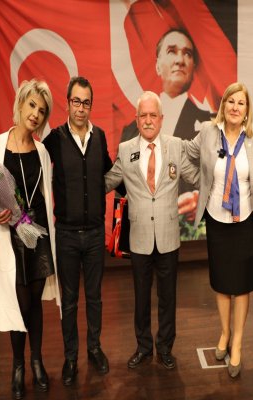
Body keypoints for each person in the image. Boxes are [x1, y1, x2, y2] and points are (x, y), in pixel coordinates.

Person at [105, 91, 198, 370]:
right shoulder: (125, 149)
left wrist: (223, 176)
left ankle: (165, 348)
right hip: (140, 238)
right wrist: (80, 182)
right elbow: (109, 181)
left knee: (168, 298)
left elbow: (195, 176)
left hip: (168, 237)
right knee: (141, 298)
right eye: (143, 115)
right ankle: (144, 347)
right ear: (136, 119)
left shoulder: (175, 146)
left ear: (161, 118)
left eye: (152, 115)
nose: (148, 120)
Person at [0, 79, 60, 400]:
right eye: (32, 105)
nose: (35, 114)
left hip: (37, 234)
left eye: (41, 111)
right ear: (20, 104)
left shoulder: (42, 151)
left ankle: (37, 361)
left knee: (35, 303)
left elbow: (45, 196)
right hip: (10, 235)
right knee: (19, 303)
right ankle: (18, 366)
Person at [183, 82, 253, 378]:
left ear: (247, 110)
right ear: (223, 105)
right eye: (231, 101)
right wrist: (202, 183)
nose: (235, 107)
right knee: (221, 282)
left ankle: (238, 343)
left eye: (241, 103)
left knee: (241, 284)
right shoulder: (208, 132)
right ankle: (224, 333)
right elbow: (185, 155)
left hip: (244, 221)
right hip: (217, 219)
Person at [43, 76, 112, 384]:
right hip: (67, 235)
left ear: (90, 105)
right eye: (76, 102)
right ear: (67, 103)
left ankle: (94, 348)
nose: (81, 108)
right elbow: (35, 168)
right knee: (69, 300)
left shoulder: (100, 137)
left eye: (86, 102)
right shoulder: (55, 139)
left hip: (95, 233)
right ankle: (71, 357)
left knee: (95, 297)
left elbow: (111, 173)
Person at [120, 28, 211, 239]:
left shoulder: (208, 126)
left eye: (187, 54)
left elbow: (216, 177)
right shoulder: (130, 131)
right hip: (142, 233)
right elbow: (122, 184)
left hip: (189, 237)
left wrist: (200, 198)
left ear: (193, 67)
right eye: (172, 51)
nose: (180, 60)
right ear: (157, 65)